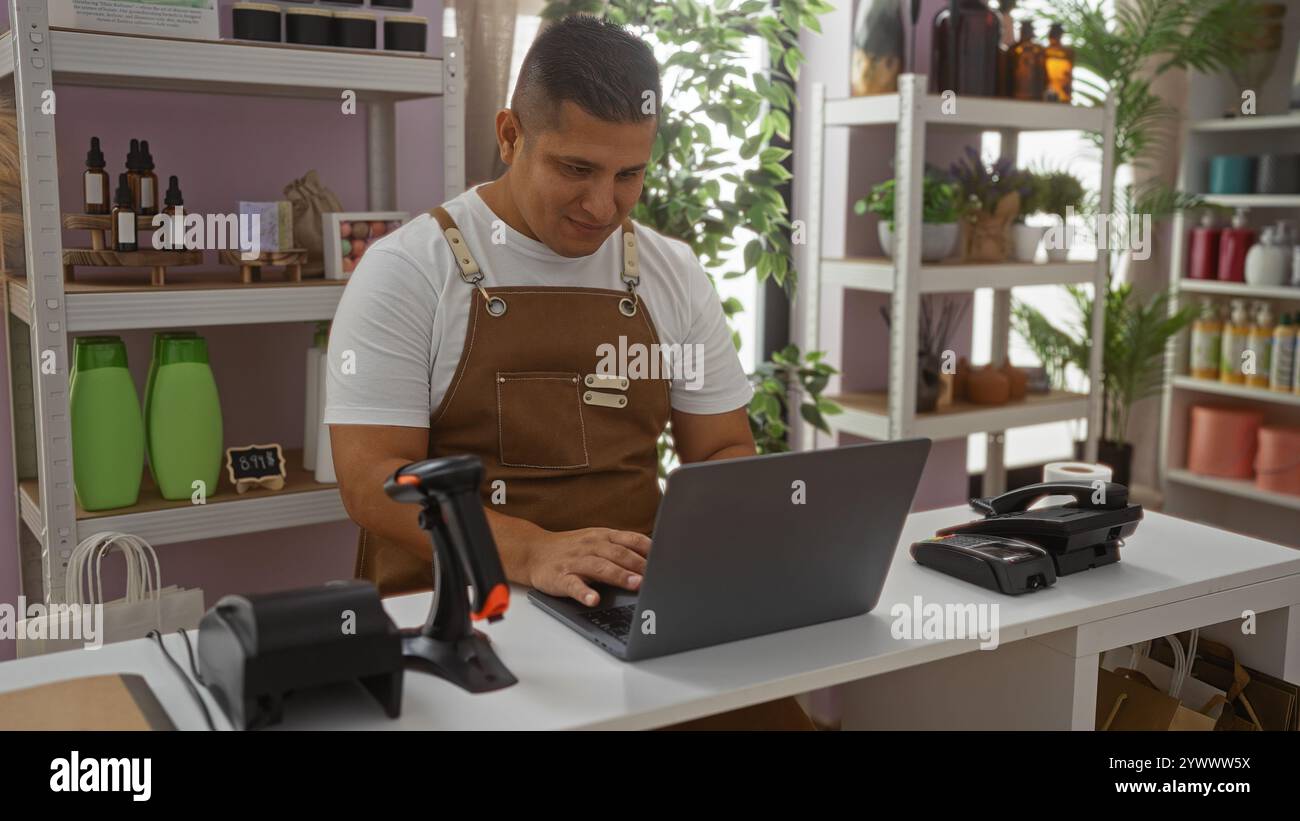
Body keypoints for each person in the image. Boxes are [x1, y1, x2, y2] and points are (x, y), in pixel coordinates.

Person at [326, 15, 813, 730]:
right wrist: (531, 551)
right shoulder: (408, 270)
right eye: (577, 169)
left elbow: (720, 449)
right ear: (510, 134)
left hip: (629, 613)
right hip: (463, 621)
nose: (601, 205)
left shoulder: (672, 272)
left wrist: (722, 551)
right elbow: (372, 480)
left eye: (630, 174)